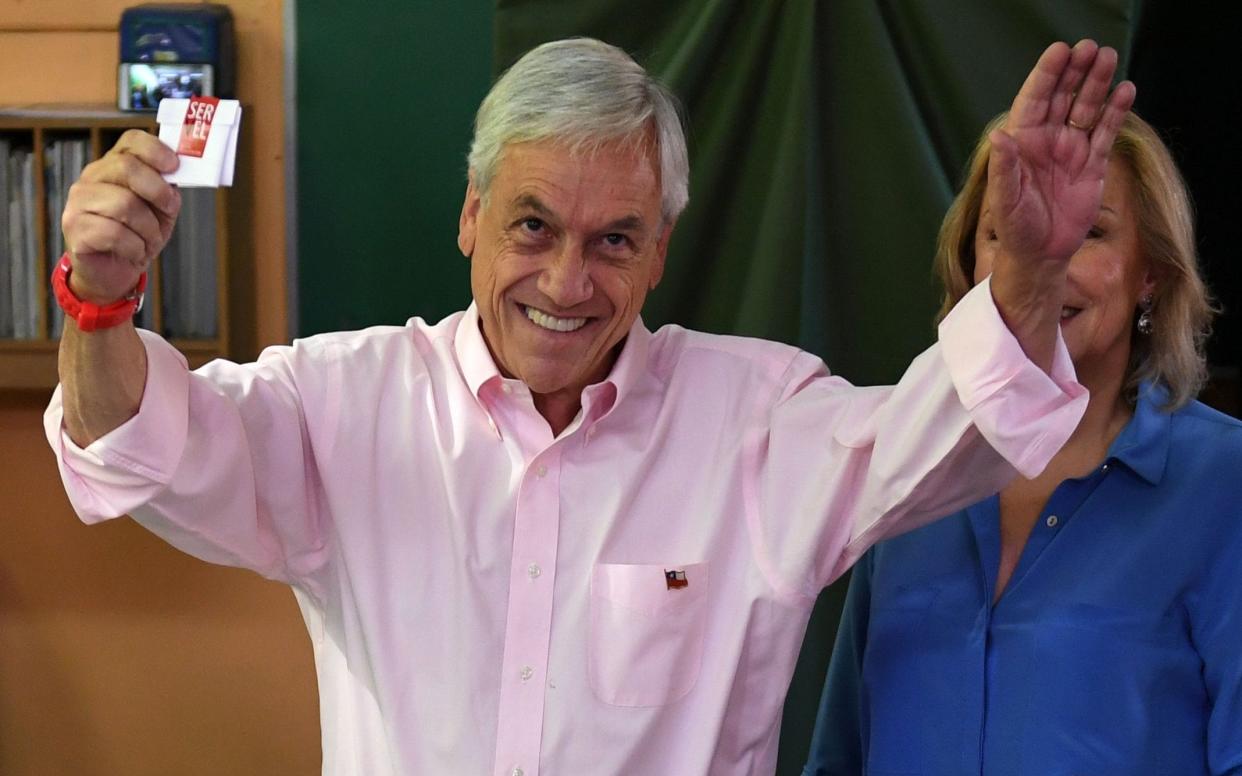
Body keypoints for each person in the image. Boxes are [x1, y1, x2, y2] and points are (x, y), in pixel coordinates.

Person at [47, 37, 1131, 775]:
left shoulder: (756, 417)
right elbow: (144, 444)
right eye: (531, 226)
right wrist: (99, 306)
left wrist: (1029, 273)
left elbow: (947, 437)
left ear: (660, 250)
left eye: (615, 238)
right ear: (470, 216)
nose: (568, 281)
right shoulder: (343, 401)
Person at [802, 111, 1241, 776]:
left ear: (1150, 271)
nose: (1042, 263)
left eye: (1087, 232)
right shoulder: (907, 465)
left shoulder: (1225, 482)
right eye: (1007, 235)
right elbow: (840, 755)